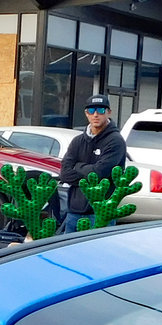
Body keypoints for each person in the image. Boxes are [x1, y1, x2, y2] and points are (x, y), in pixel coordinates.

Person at [57, 94, 127, 232]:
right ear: (86, 113)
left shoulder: (115, 141)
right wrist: (90, 171)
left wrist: (77, 166)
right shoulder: (78, 141)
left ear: (109, 112)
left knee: (98, 253)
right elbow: (64, 174)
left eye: (101, 110)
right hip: (74, 211)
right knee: (68, 252)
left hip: (101, 212)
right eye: (91, 110)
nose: (96, 114)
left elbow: (100, 173)